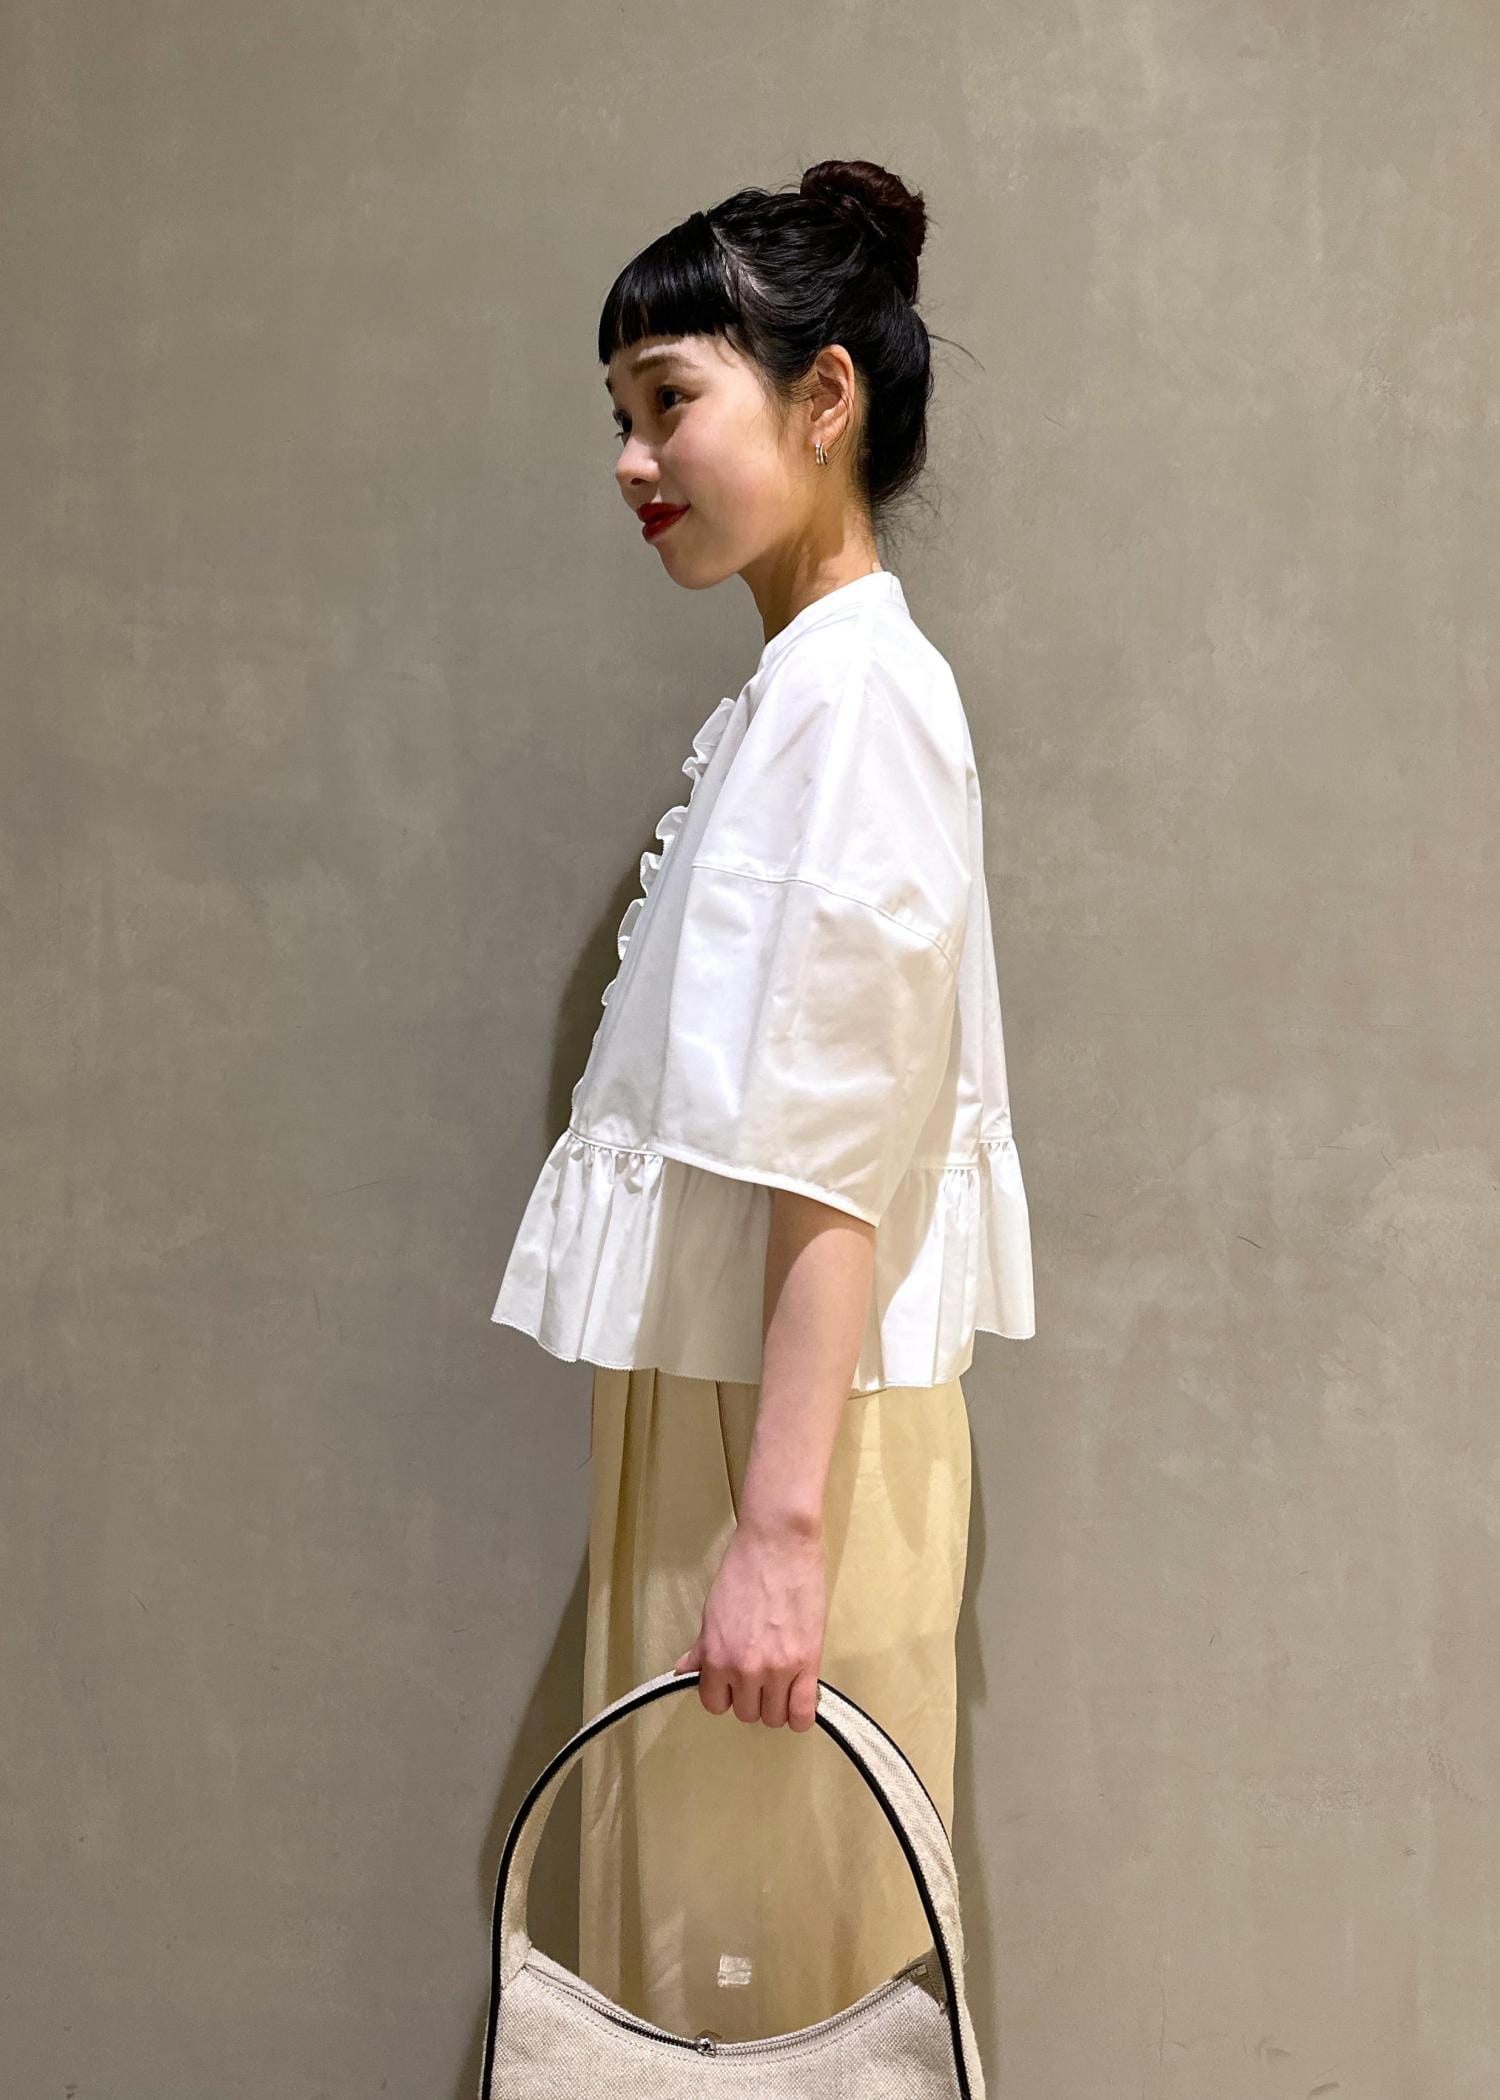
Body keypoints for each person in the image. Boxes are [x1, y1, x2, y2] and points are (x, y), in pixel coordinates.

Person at [488, 157, 1036, 2044]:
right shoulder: (808, 686)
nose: (632, 460)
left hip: (784, 1439)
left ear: (825, 399)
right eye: (619, 414)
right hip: (746, 1419)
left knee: (774, 2004)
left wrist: (781, 1535)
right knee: (714, 1997)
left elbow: (837, 1144)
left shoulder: (859, 699)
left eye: (669, 400)